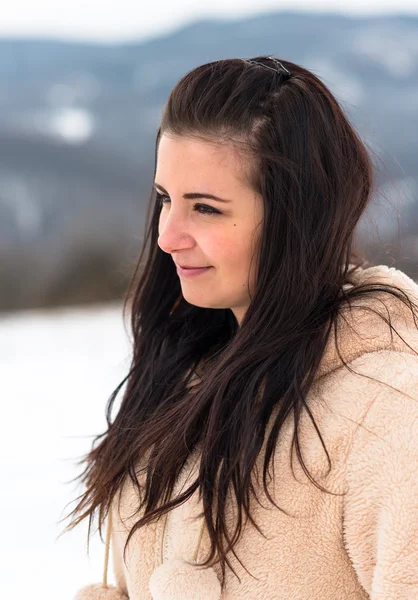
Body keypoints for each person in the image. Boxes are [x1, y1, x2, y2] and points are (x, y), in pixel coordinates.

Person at [64, 56, 418, 600]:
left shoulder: (390, 413)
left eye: (205, 208)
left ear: (294, 218)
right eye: (165, 199)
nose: (168, 236)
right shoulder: (181, 377)